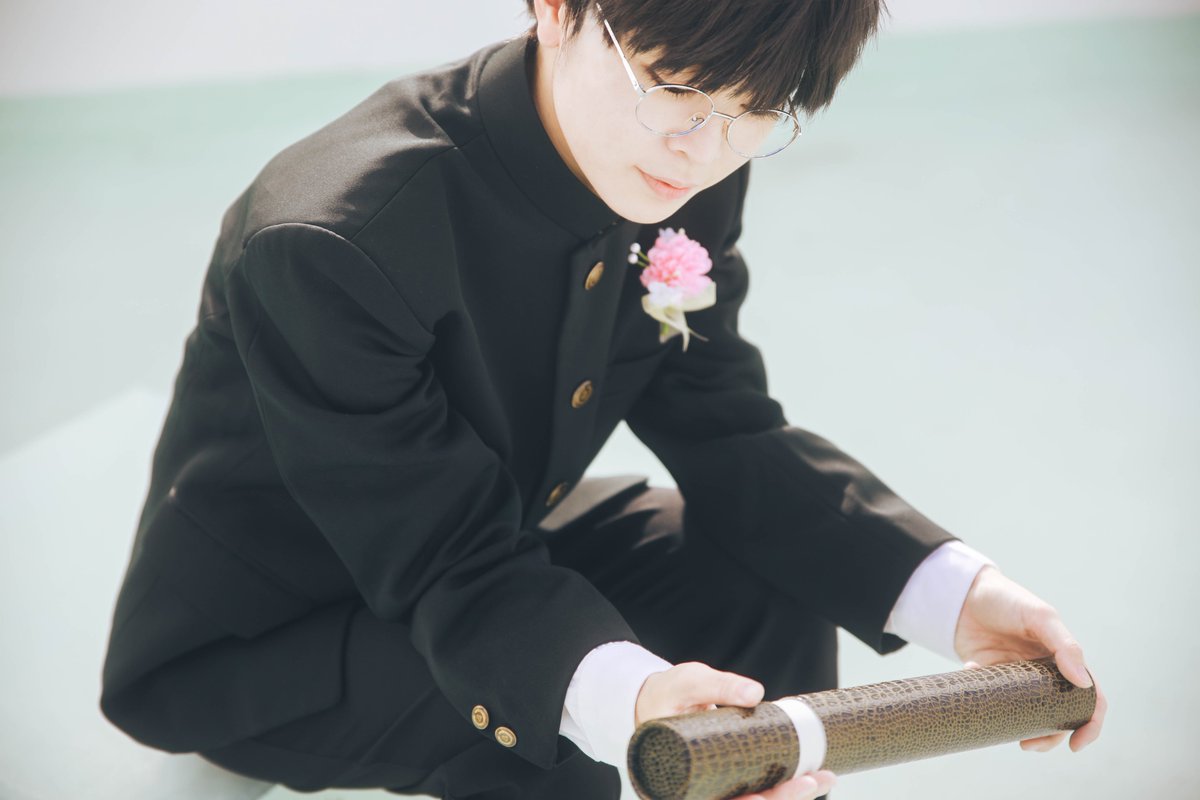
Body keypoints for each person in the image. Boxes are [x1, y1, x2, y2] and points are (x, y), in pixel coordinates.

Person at [97, 1, 1106, 798]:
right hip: (272, 636)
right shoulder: (329, 241)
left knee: (767, 581)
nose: (703, 149)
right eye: (676, 87)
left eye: (757, 109)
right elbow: (441, 553)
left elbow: (724, 426)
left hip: (491, 533)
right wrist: (630, 702)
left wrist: (964, 599)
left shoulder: (687, 158)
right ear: (556, 9)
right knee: (554, 725)